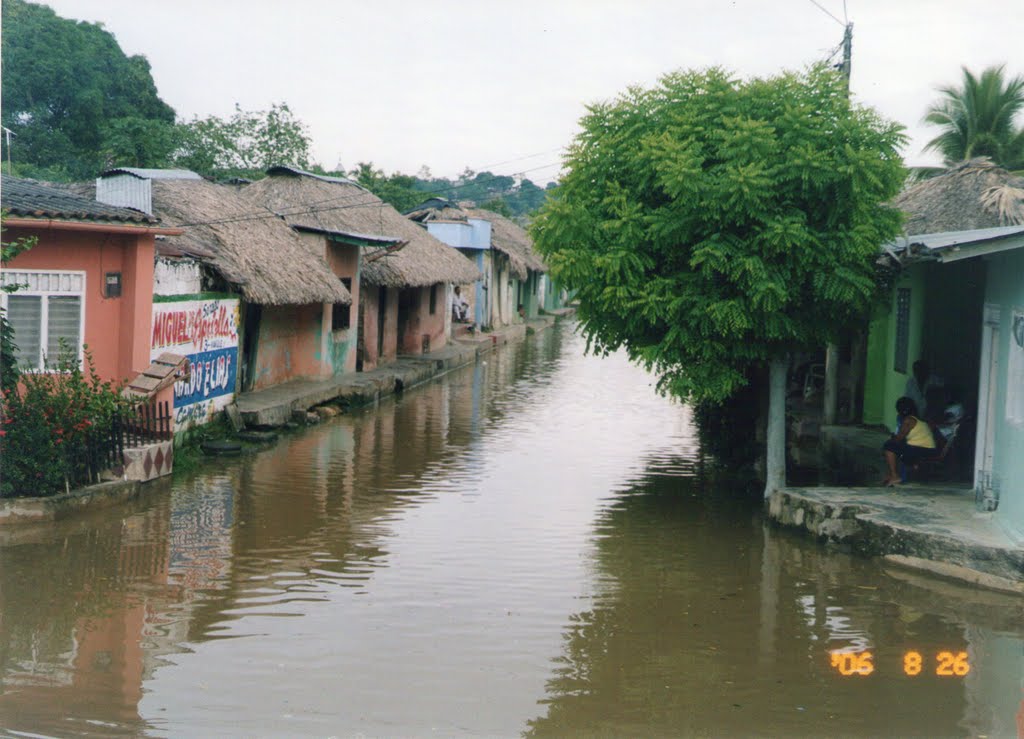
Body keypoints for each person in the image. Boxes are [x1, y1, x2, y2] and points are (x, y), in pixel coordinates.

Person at [882, 396, 936, 486]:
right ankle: (892, 475)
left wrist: (893, 437)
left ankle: (895, 476)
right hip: (928, 450)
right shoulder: (918, 419)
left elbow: (899, 438)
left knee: (889, 446)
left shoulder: (909, 420)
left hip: (923, 450)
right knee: (896, 447)